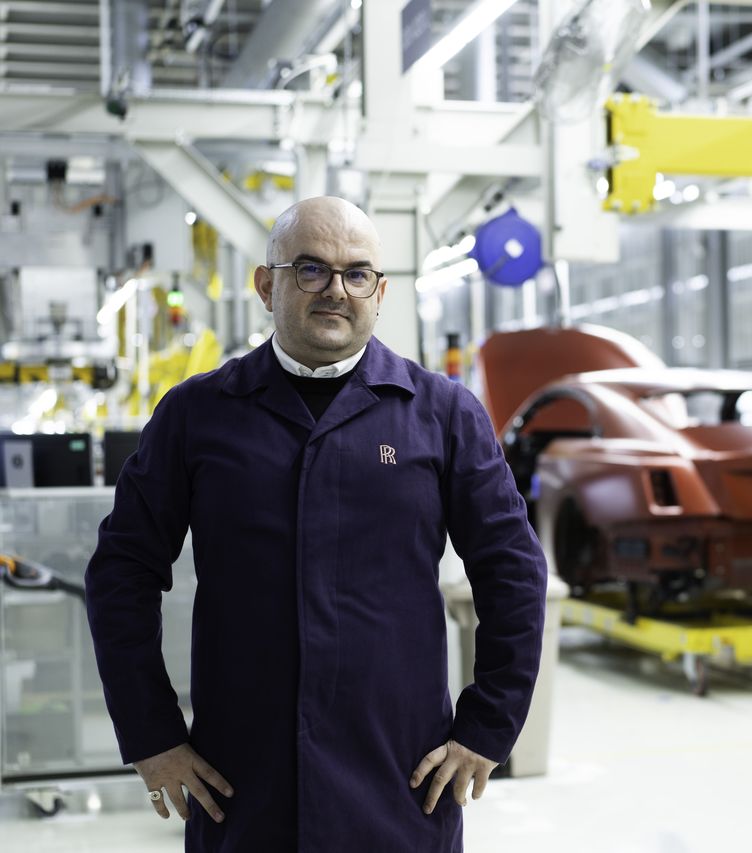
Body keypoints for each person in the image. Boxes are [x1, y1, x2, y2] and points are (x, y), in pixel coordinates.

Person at [85, 196, 548, 852]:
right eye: (311, 269)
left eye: (357, 273)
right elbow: (121, 572)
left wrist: (487, 727)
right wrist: (152, 733)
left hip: (399, 783)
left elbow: (514, 572)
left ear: (380, 291)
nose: (337, 290)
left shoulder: (443, 415)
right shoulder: (198, 415)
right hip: (243, 785)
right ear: (266, 284)